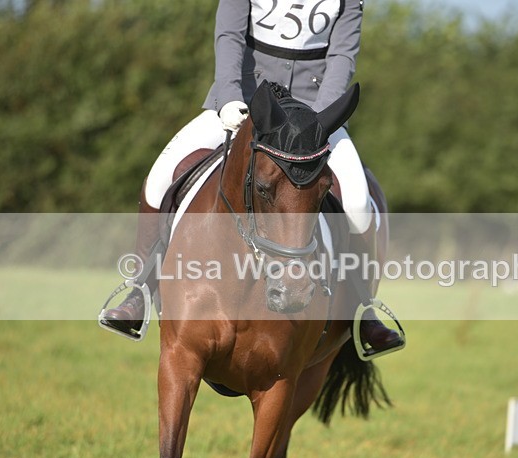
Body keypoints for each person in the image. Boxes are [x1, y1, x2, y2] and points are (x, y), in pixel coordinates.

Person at [101, 0, 403, 355]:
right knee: (159, 179)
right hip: (243, 101)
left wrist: (318, 120)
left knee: (356, 201)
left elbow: (342, 56)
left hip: (315, 114)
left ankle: (361, 308)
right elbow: (229, 35)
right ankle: (139, 289)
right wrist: (229, 96)